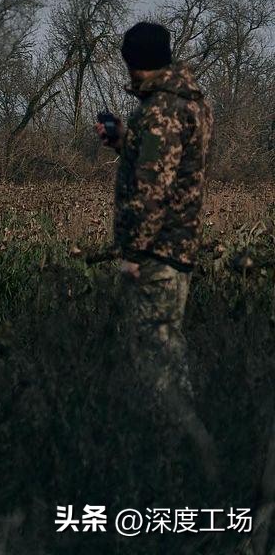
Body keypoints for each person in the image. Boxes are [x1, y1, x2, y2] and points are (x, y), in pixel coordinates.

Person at [95, 22, 213, 398]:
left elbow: (153, 190)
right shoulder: (189, 102)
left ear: (134, 63)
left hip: (157, 250)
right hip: (177, 246)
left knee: (156, 359)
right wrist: (125, 141)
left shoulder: (160, 110)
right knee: (164, 347)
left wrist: (133, 254)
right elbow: (171, 165)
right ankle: (180, 438)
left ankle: (178, 444)